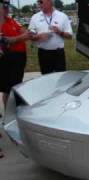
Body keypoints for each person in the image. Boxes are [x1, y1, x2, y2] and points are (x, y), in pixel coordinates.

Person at [0, 0, 30, 159]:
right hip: (7, 61)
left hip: (18, 60)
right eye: (4, 6)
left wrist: (20, 37)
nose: (6, 8)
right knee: (8, 90)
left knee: (13, 89)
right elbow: (8, 42)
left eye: (7, 6)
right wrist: (20, 37)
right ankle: (9, 119)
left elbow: (25, 33)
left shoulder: (12, 21)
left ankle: (9, 119)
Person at [28, 0, 73, 75]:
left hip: (59, 54)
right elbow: (30, 36)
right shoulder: (35, 17)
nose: (39, 4)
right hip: (43, 54)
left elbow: (70, 36)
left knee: (60, 78)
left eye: (41, 2)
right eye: (38, 2)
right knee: (46, 78)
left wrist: (59, 32)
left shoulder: (62, 16)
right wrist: (38, 37)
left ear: (49, 1)